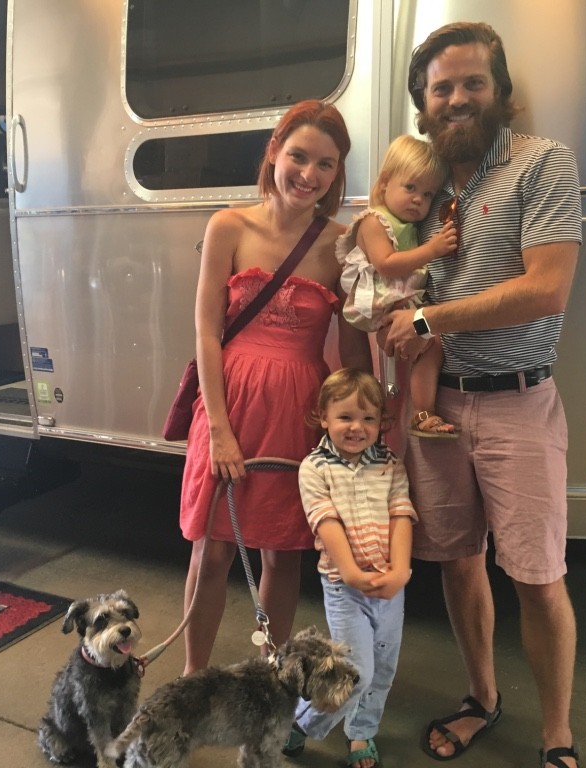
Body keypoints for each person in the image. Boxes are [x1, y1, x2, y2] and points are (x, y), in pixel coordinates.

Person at [380, 22, 583, 768]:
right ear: (423, 102)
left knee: (538, 577)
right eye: (442, 88)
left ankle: (557, 734)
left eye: (473, 83)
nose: (458, 98)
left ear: (501, 91)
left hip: (517, 403)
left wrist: (427, 319)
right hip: (434, 406)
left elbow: (546, 288)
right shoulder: (424, 184)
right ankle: (481, 698)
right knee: (458, 561)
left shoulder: (542, 164)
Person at [179, 100, 371, 676]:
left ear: (337, 173)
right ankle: (193, 676)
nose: (309, 175)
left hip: (299, 412)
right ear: (273, 152)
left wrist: (367, 427)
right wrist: (219, 429)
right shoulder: (228, 226)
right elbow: (206, 331)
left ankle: (270, 680)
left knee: (284, 553)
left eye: (326, 164)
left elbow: (354, 350)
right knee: (213, 548)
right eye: (299, 157)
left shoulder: (341, 244)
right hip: (229, 403)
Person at [283, 368, 416, 768]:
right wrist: (353, 574)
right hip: (346, 587)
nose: (357, 427)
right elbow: (326, 522)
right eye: (345, 417)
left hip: (391, 587)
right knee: (355, 672)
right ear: (323, 417)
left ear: (381, 422)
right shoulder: (314, 468)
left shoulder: (391, 464)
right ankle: (302, 722)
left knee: (383, 669)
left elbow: (402, 515)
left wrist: (401, 572)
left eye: (368, 418)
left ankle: (362, 733)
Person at [336, 134, 458, 438]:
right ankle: (421, 412)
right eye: (411, 188)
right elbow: (386, 264)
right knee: (430, 343)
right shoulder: (374, 221)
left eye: (428, 194)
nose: (418, 200)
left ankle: (418, 412)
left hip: (400, 302)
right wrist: (432, 250)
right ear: (385, 182)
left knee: (431, 346)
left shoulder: (409, 225)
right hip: (382, 304)